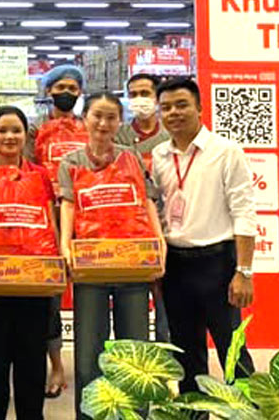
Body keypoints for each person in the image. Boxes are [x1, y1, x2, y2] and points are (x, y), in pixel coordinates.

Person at [57, 92, 165, 419]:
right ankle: (90, 415)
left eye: (111, 117)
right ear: (85, 118)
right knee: (89, 353)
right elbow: (69, 205)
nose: (103, 124)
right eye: (97, 116)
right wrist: (66, 246)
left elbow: (146, 201)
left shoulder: (131, 158)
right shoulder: (71, 162)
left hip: (131, 265)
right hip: (91, 268)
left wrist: (158, 241)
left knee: (135, 354)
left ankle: (136, 414)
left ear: (119, 121)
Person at [152, 78, 257, 393]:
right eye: (166, 107)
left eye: (182, 105)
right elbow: (156, 211)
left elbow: (244, 212)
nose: (174, 113)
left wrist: (244, 272)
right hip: (176, 265)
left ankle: (246, 414)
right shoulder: (158, 155)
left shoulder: (226, 152)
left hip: (217, 263)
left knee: (232, 352)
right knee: (186, 354)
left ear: (199, 107)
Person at [0, 106, 56, 420]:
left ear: (26, 135)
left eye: (16, 130)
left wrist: (56, 260)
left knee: (31, 365)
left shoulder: (40, 175)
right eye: (2, 130)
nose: (9, 137)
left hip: (33, 282)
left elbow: (48, 221)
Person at [28, 65, 87, 399]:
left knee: (90, 296)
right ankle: (56, 365)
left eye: (73, 87)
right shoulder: (35, 130)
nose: (67, 92)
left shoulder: (88, 127)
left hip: (88, 220)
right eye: (60, 86)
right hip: (47, 220)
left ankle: (93, 361)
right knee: (50, 299)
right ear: (49, 91)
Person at [115, 73, 172, 343]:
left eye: (145, 93)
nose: (140, 99)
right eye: (133, 94)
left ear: (157, 97)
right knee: (134, 307)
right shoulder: (119, 135)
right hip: (131, 231)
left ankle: (169, 367)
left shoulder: (170, 134)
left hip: (169, 224)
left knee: (167, 306)